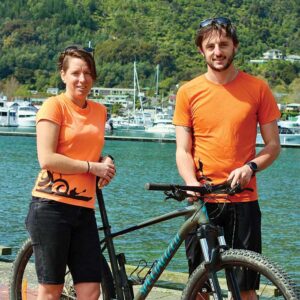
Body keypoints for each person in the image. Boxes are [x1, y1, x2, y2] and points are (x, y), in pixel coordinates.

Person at [173, 17, 281, 300]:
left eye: (223, 44)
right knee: (200, 288)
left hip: (243, 199)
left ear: (234, 47)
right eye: (210, 46)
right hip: (203, 200)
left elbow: (272, 145)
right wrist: (190, 182)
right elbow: (183, 150)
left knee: (245, 290)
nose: (217, 51)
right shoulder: (188, 91)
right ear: (201, 51)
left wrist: (250, 167)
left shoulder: (258, 88)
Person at [26, 45, 116, 300]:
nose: (82, 79)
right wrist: (91, 167)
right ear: (63, 75)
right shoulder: (54, 106)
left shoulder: (99, 111)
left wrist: (105, 163)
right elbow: (47, 159)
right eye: (76, 72)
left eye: (88, 73)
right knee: (51, 290)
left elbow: (87, 150)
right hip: (51, 207)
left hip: (84, 210)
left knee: (90, 290)